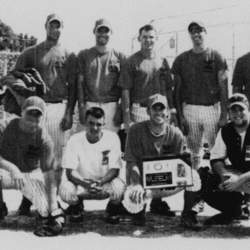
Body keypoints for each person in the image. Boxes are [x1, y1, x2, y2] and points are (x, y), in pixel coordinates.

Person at [12, 13, 77, 207]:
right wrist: (23, 102)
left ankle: (52, 198)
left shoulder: (68, 53)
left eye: (58, 26)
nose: (54, 29)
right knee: (31, 153)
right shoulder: (32, 52)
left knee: (55, 158)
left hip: (58, 107)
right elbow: (12, 78)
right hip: (35, 110)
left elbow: (73, 85)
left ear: (62, 28)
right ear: (45, 26)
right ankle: (28, 197)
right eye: (51, 25)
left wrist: (69, 113)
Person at [118, 24, 178, 215]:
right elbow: (125, 91)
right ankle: (135, 197)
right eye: (145, 37)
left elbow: (169, 89)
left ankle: (157, 199)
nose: (148, 40)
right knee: (137, 156)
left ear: (156, 39)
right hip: (140, 110)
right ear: (139, 39)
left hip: (160, 111)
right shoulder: (131, 61)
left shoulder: (163, 62)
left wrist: (172, 112)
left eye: (151, 37)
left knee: (159, 155)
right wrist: (127, 118)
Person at [122, 94, 201, 228]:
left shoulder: (175, 133)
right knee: (132, 203)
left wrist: (177, 176)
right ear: (148, 111)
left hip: (165, 182)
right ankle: (139, 211)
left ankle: (187, 214)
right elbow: (131, 161)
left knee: (194, 176)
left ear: (167, 112)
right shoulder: (136, 130)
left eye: (162, 109)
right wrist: (136, 183)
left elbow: (181, 164)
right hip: (142, 182)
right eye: (155, 109)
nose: (159, 112)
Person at [0, 96, 65, 237]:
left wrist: (52, 205)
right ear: (22, 111)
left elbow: (49, 173)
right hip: (5, 172)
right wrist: (12, 168)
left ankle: (54, 210)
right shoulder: (4, 126)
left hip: (28, 175)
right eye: (30, 112)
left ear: (42, 116)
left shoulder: (44, 137)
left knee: (46, 210)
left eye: (38, 114)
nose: (33, 117)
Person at [172, 21, 228, 171]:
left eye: (199, 30)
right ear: (189, 35)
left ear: (205, 32)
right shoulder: (181, 59)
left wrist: (224, 114)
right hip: (189, 109)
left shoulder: (216, 56)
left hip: (211, 108)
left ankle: (218, 186)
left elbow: (224, 88)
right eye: (192, 31)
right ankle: (195, 187)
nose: (196, 34)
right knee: (193, 153)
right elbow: (176, 90)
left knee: (217, 151)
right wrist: (180, 116)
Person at [59, 107, 125, 224]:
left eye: (98, 124)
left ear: (104, 123)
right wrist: (85, 184)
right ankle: (76, 207)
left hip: (103, 184)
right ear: (85, 121)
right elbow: (70, 171)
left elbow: (115, 169)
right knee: (65, 190)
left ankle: (113, 208)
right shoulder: (74, 139)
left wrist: (101, 182)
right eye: (91, 123)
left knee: (120, 187)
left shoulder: (112, 137)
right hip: (82, 184)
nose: (94, 128)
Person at [199, 93, 250, 225]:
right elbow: (216, 158)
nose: (237, 114)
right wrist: (223, 174)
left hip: (245, 176)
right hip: (238, 173)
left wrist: (239, 180)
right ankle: (233, 211)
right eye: (233, 110)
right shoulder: (226, 130)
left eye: (241, 109)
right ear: (228, 112)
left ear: (248, 109)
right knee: (204, 178)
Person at [74, 18, 126, 133]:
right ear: (94, 31)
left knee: (109, 146)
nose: (102, 34)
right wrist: (81, 107)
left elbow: (125, 87)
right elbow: (80, 83)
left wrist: (120, 110)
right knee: (85, 145)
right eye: (99, 31)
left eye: (106, 31)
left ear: (111, 32)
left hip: (111, 106)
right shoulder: (84, 55)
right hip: (89, 104)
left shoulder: (119, 56)